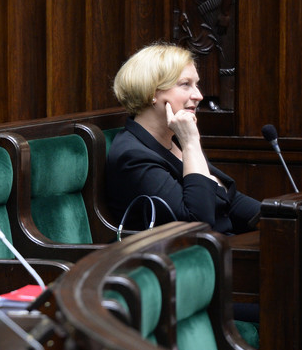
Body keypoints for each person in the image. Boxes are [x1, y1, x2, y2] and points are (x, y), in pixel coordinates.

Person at [106, 43, 258, 235]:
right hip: (188, 258)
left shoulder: (175, 139)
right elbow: (197, 223)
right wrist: (192, 144)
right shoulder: (132, 155)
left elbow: (227, 200)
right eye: (186, 84)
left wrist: (278, 216)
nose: (199, 95)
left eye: (197, 84)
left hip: (224, 247)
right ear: (152, 92)